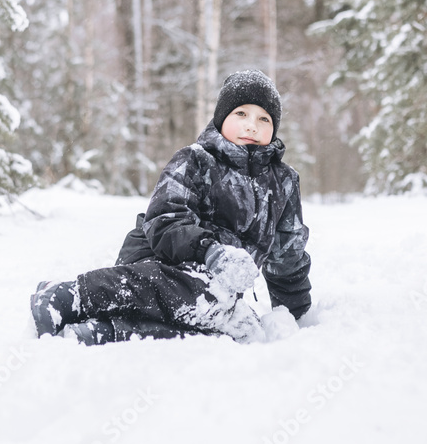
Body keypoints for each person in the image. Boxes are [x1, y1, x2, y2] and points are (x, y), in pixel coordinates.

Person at [29, 69, 312, 345]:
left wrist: (295, 314)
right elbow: (166, 219)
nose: (252, 125)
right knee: (209, 296)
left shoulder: (283, 182)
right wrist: (211, 252)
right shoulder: (196, 160)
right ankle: (70, 295)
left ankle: (107, 332)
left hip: (215, 287)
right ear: (221, 118)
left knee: (242, 328)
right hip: (157, 260)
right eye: (241, 114)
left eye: (264, 119)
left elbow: (287, 255)